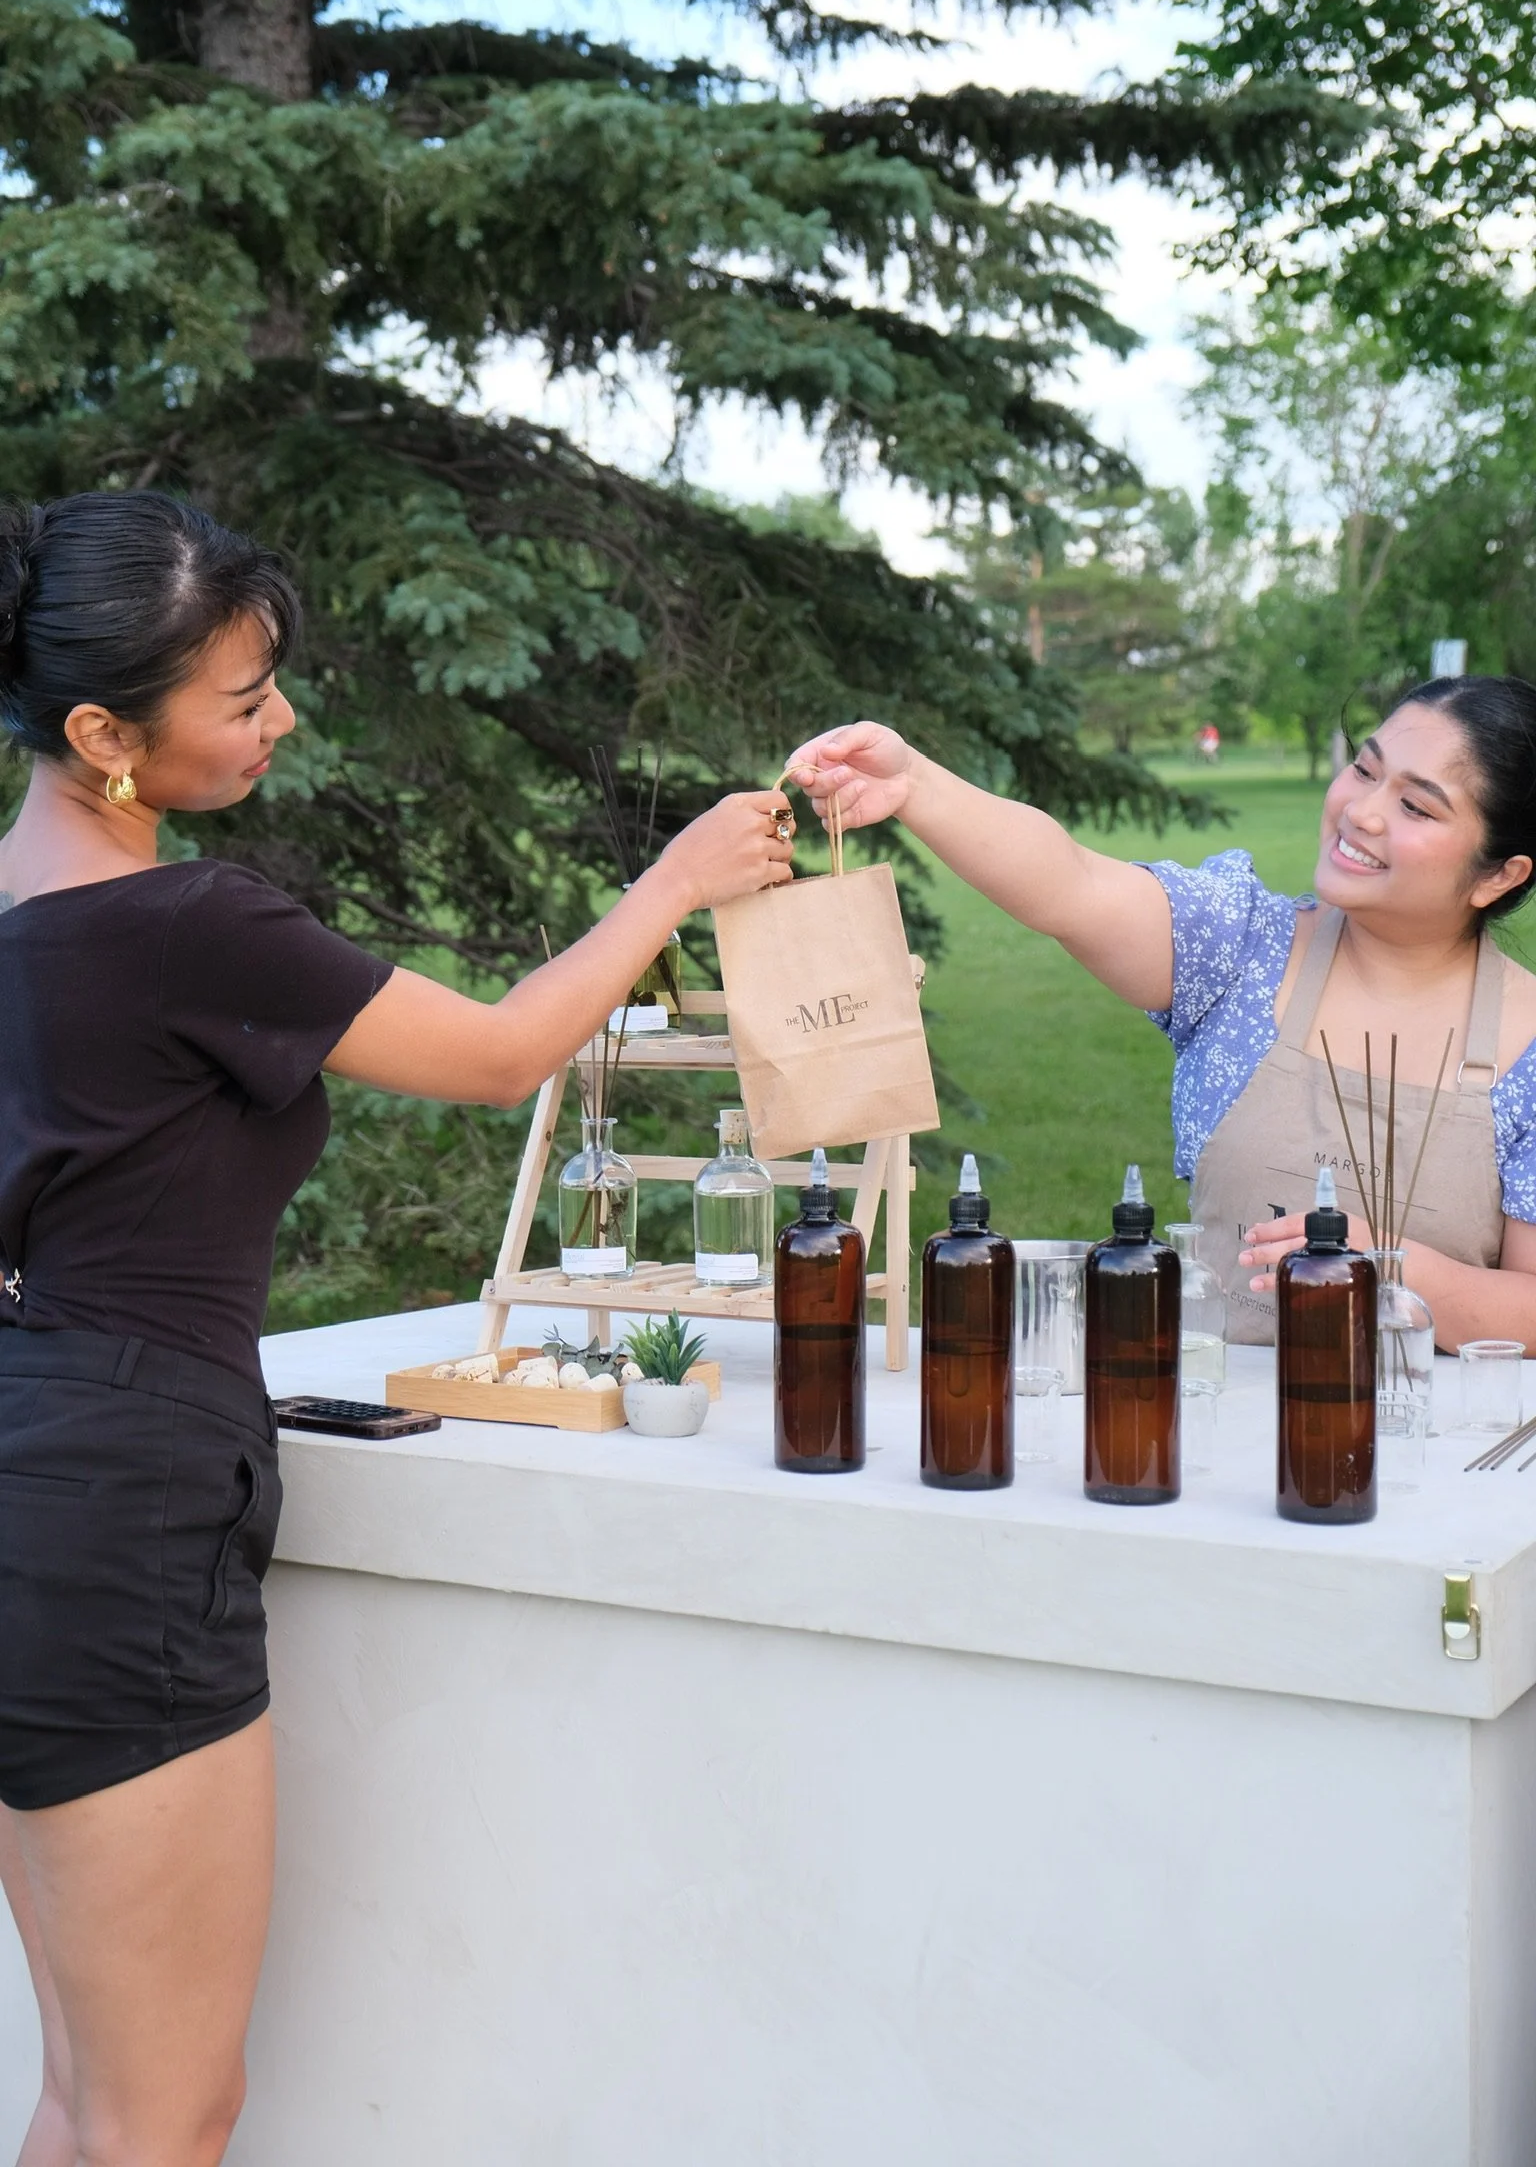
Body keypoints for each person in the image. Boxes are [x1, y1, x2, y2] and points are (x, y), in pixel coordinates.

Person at [0, 491, 794, 2167]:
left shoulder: (20, 916)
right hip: (120, 1513)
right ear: (101, 730)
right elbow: (506, 1053)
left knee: (85, 2091)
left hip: (40, 1476)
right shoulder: (180, 923)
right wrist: (676, 874)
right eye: (239, 695)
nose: (280, 716)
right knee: (162, 2114)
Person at [786, 681, 1536, 1349]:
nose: (1362, 812)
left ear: (1499, 874)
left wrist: (1390, 1272)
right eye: (1365, 770)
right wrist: (914, 781)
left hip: (1437, 1458)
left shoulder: (1528, 1042)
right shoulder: (1242, 947)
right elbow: (1070, 884)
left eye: (1414, 805)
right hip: (1207, 1426)